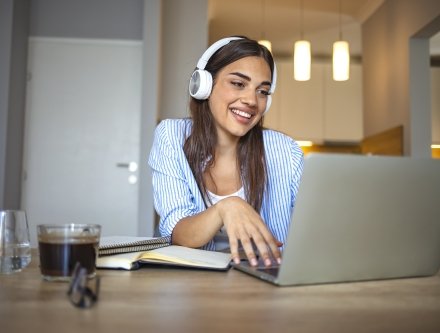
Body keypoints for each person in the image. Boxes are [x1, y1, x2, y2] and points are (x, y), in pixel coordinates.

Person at [148, 36, 303, 267]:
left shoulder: (285, 150)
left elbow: (313, 229)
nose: (252, 100)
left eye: (262, 91)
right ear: (204, 86)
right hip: (194, 284)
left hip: (268, 280)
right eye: (238, 84)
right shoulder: (172, 136)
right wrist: (227, 207)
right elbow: (177, 232)